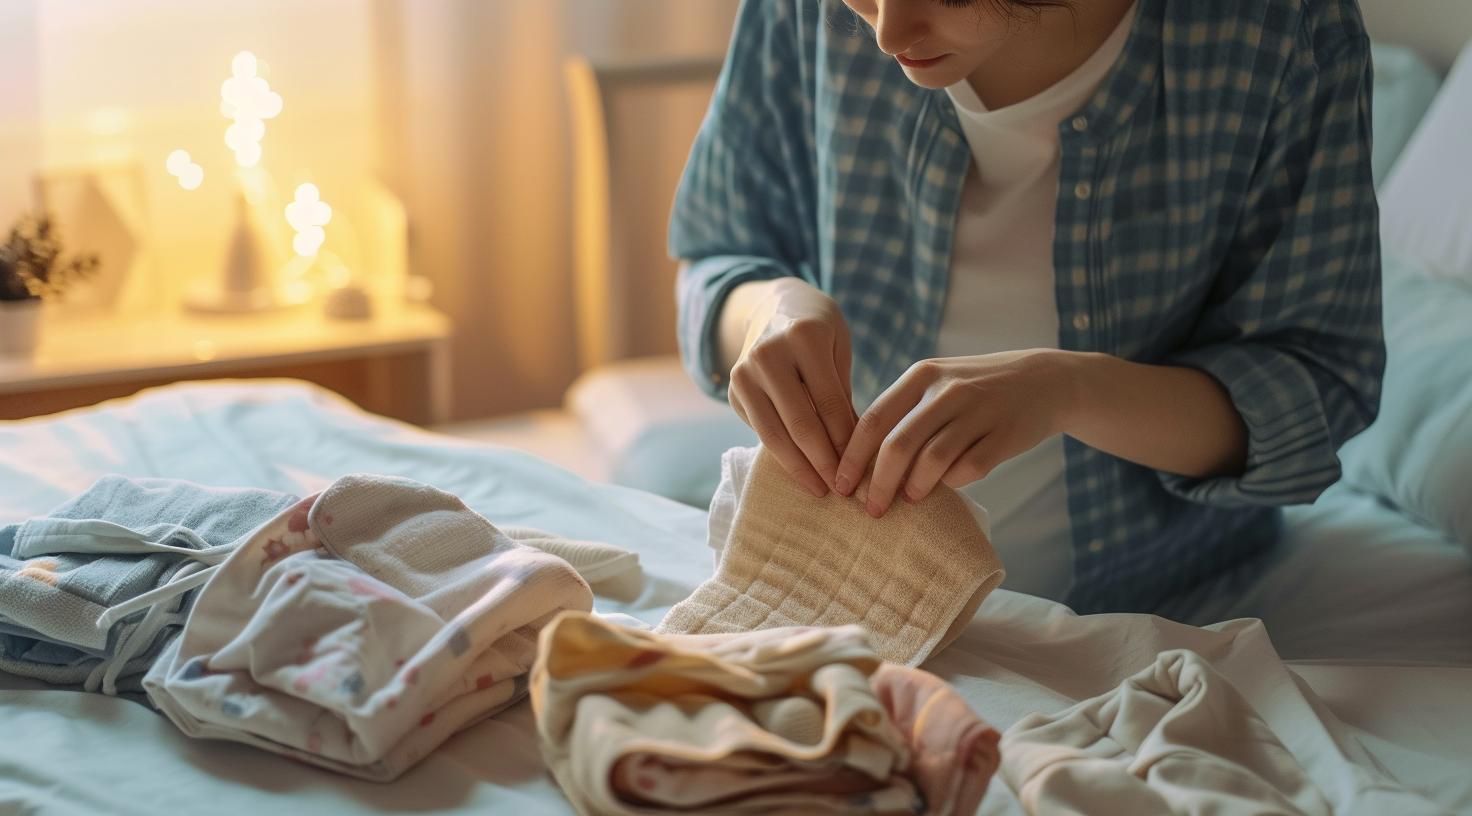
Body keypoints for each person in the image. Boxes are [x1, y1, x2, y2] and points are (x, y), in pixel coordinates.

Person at [669, 0, 1383, 613]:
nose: (887, 33)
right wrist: (769, 311)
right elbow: (720, 255)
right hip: (845, 591)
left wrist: (1069, 391)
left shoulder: (1281, 33)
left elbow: (1314, 387)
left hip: (1160, 610)